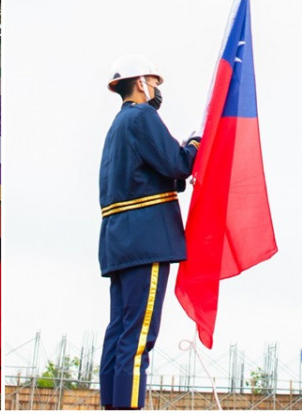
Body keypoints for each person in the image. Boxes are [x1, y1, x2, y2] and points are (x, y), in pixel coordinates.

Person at [98, 55, 201, 411]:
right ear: (141, 82)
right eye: (154, 83)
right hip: (146, 240)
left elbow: (149, 174)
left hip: (119, 242)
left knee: (120, 333)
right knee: (139, 338)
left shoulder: (118, 125)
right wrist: (195, 145)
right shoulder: (143, 116)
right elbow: (177, 164)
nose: (156, 91)